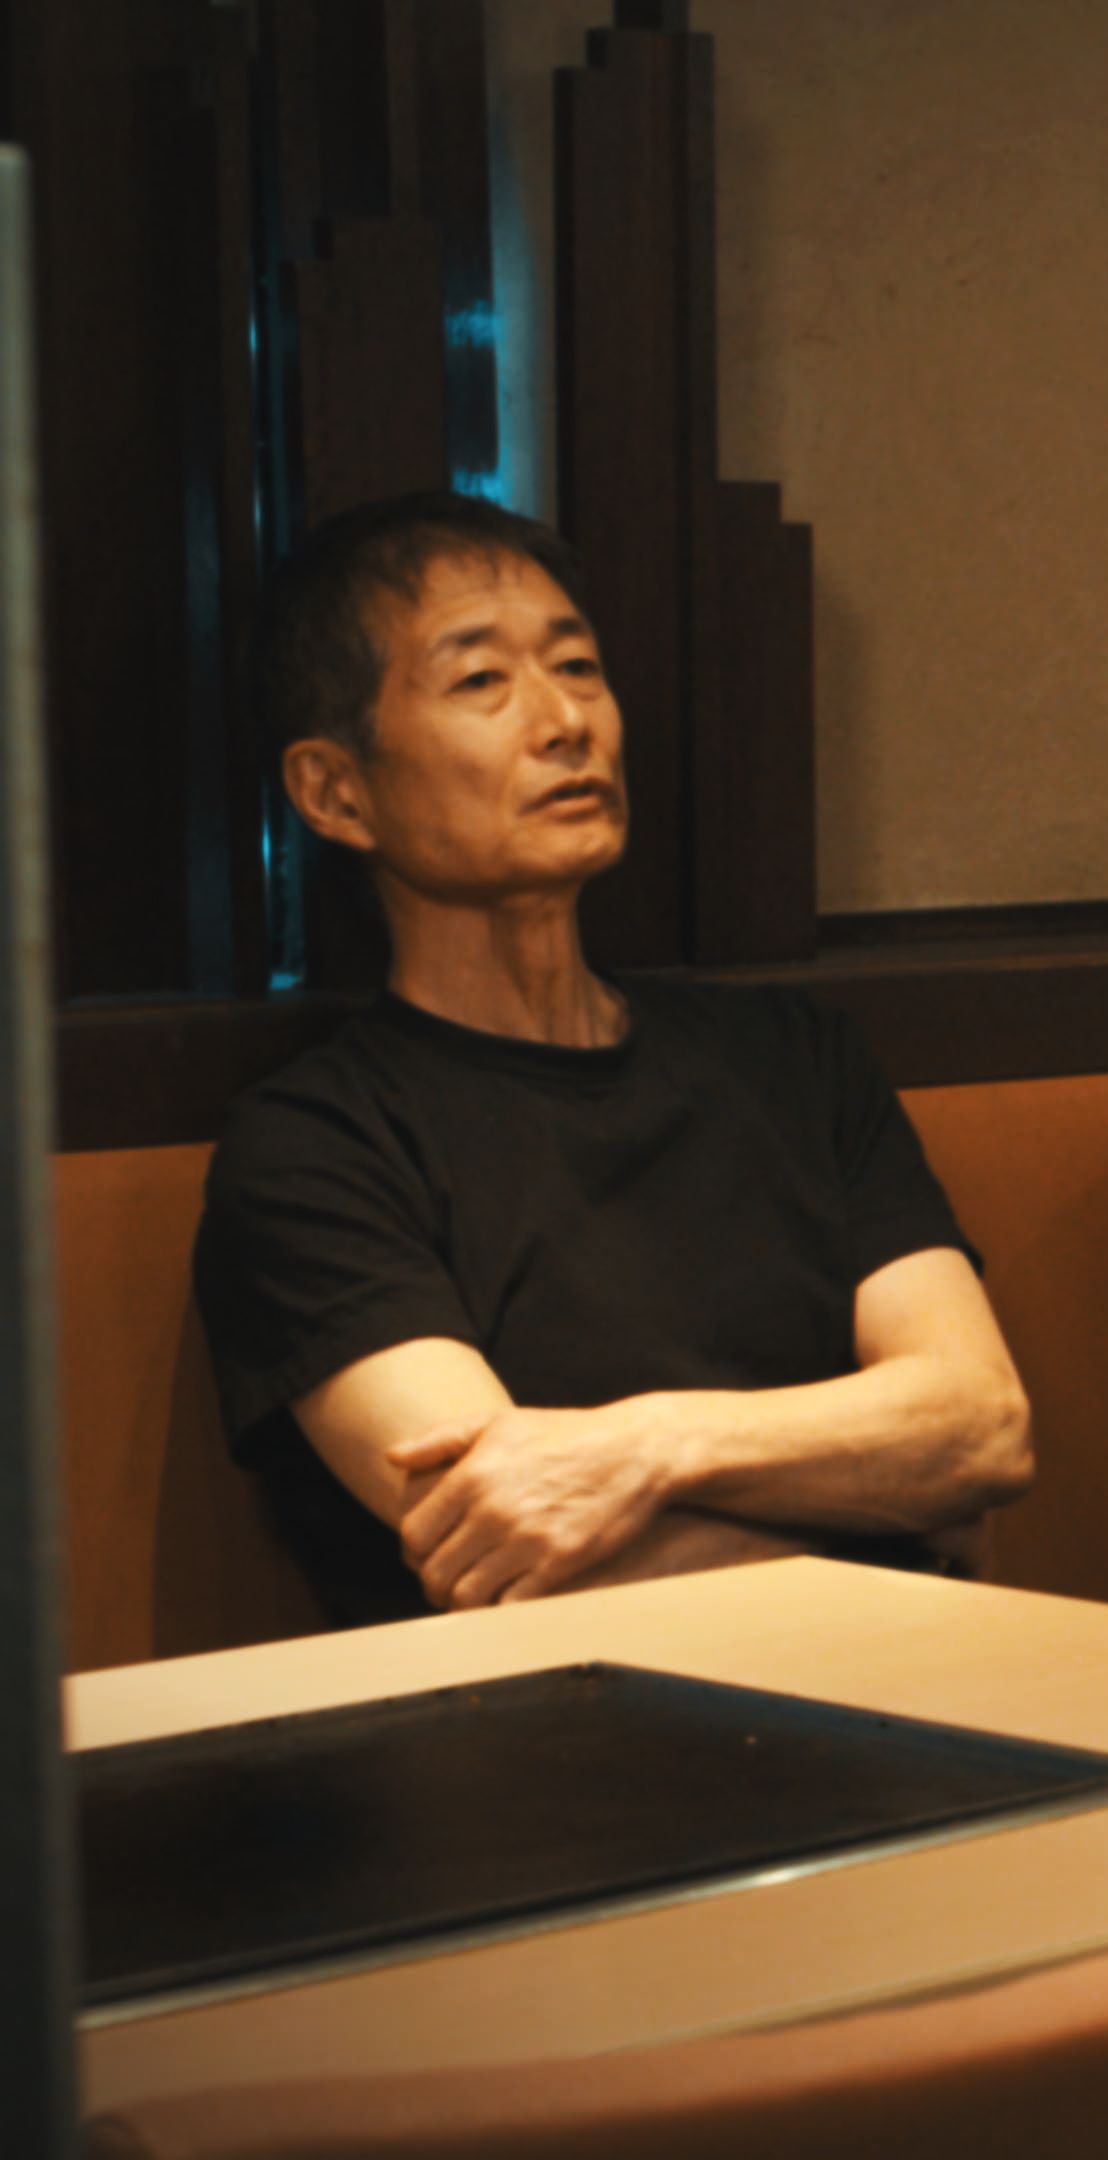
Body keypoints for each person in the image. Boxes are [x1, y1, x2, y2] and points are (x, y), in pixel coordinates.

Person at [192, 492, 1034, 1626]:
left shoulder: (794, 1058)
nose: (563, 722)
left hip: (910, 1691)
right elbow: (521, 1545)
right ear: (336, 793)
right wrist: (894, 1517)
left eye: (578, 668)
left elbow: (984, 1428)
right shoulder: (315, 1147)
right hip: (545, 1717)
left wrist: (648, 1446)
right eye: (480, 681)